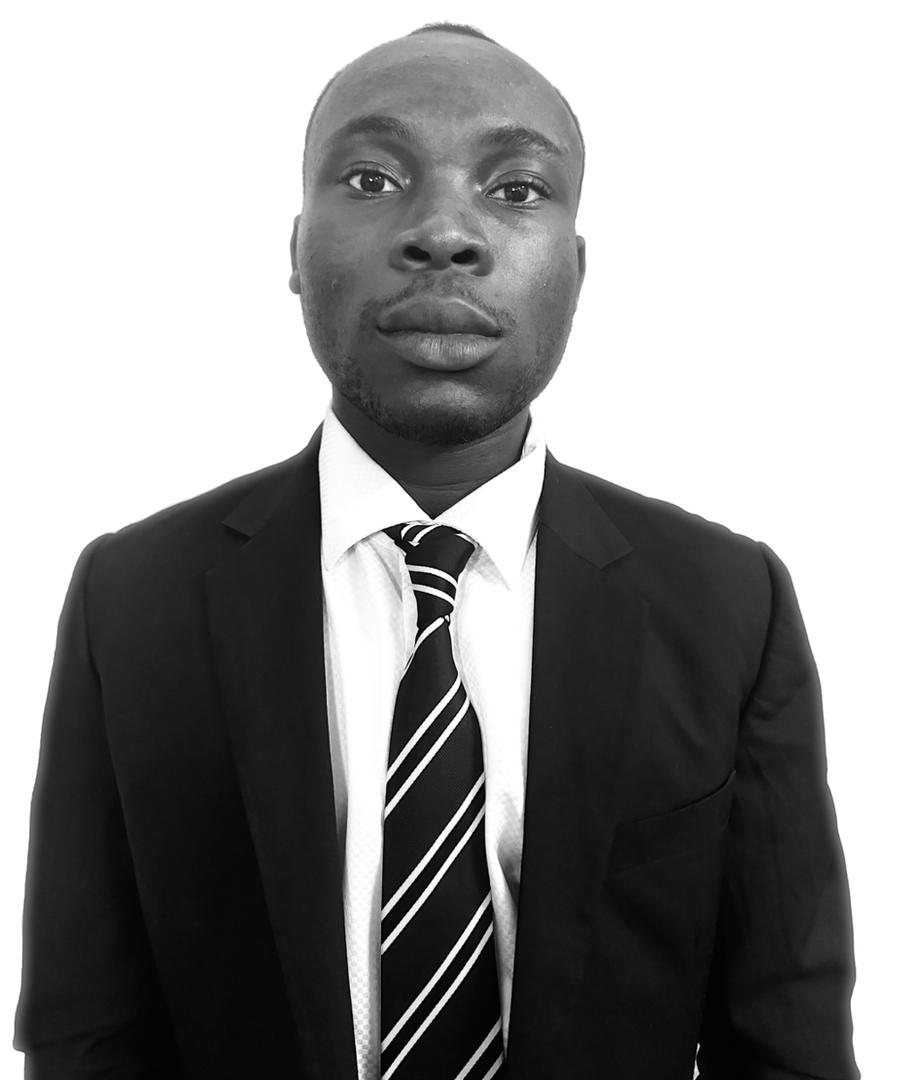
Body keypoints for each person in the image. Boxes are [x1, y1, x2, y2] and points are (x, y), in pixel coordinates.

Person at [15, 21, 859, 1080]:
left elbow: (787, 1043)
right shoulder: (134, 600)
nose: (445, 234)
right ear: (294, 249)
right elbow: (86, 1035)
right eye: (372, 178)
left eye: (516, 189)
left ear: (577, 268)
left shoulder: (729, 604)